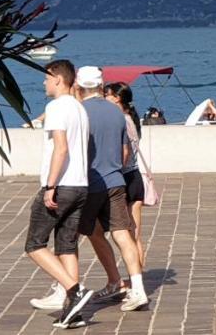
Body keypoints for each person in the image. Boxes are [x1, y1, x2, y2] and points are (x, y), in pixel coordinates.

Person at [24, 59, 95, 328]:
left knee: (34, 245)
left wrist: (50, 186)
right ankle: (73, 310)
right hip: (80, 185)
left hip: (61, 185)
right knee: (67, 245)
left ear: (57, 79)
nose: (44, 83)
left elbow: (61, 149)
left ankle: (73, 289)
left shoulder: (56, 107)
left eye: (46, 78)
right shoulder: (79, 108)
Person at [76, 66, 149, 313]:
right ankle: (137, 289)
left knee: (86, 233)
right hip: (116, 180)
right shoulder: (117, 112)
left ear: (78, 86)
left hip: (90, 182)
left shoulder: (79, 111)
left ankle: (106, 282)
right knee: (122, 234)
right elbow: (125, 152)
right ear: (100, 85)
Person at [105, 81, 147, 269]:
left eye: (107, 95)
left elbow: (125, 152)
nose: (104, 98)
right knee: (135, 235)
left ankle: (135, 278)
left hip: (126, 177)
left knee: (129, 235)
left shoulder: (122, 120)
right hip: (135, 176)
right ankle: (138, 277)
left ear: (117, 98)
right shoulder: (132, 118)